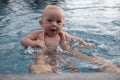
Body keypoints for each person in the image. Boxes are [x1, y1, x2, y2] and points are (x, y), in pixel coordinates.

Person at [20, 5, 120, 73]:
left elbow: (76, 39)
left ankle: (105, 68)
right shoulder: (38, 34)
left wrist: (85, 44)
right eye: (49, 21)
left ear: (63, 25)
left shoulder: (63, 35)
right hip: (44, 56)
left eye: (58, 22)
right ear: (41, 23)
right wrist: (34, 43)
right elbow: (23, 40)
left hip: (62, 55)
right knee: (41, 64)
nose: (54, 24)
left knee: (73, 64)